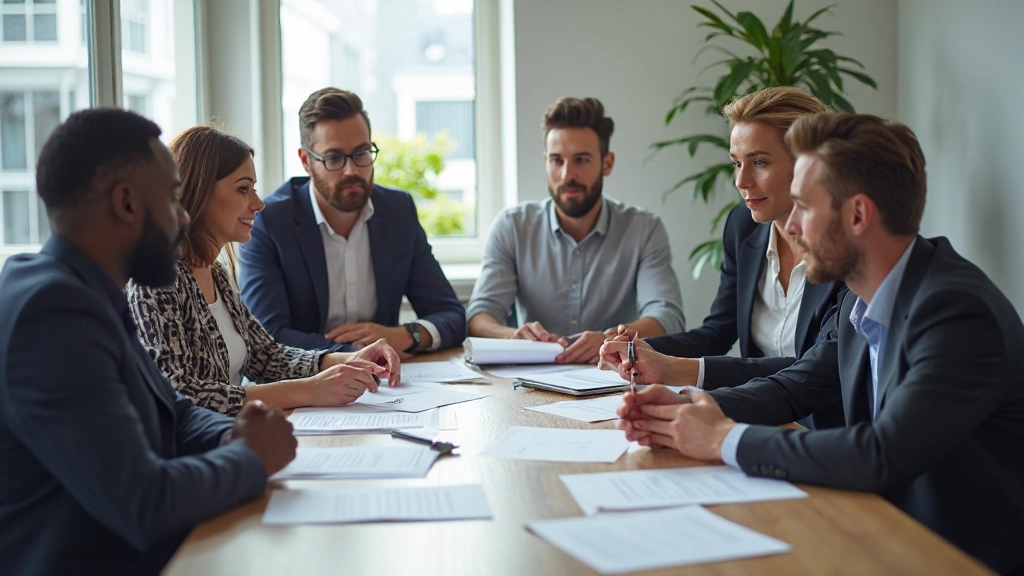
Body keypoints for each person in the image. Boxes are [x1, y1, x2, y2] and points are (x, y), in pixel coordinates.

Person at [604, 113, 1024, 574]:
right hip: (879, 531)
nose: (791, 226)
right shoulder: (865, 299)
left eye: (803, 206)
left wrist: (724, 439)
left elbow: (881, 455)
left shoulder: (956, 311)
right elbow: (798, 385)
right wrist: (687, 407)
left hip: (956, 556)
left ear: (858, 215)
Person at [0, 109, 297, 574]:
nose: (184, 216)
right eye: (174, 198)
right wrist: (248, 457)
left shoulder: (86, 291)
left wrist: (231, 432)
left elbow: (172, 409)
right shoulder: (53, 311)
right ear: (126, 203)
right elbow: (142, 500)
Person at [614, 87, 846, 428]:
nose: (742, 181)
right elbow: (718, 331)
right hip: (756, 419)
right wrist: (635, 347)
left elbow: (815, 367)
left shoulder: (848, 247)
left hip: (823, 432)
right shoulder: (743, 227)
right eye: (737, 163)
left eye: (760, 163)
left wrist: (679, 371)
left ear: (806, 165)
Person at [128, 126, 400, 416]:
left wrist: (350, 359)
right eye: (243, 189)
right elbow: (178, 394)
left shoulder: (217, 273)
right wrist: (310, 389)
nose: (258, 204)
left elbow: (267, 357)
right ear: (199, 192)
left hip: (229, 438)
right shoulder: (155, 280)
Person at [237, 87, 465, 358]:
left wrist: (406, 335)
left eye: (361, 153)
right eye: (334, 158)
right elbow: (267, 336)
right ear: (306, 161)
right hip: (306, 386)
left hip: (390, 389)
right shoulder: (271, 222)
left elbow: (452, 315)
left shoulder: (397, 212)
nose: (352, 171)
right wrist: (355, 352)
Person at [466, 96, 685, 364]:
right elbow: (479, 316)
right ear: (546, 162)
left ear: (607, 163)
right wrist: (512, 336)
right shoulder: (512, 226)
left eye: (581, 160)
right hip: (529, 380)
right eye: (557, 160)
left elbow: (667, 317)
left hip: (611, 377)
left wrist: (609, 340)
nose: (567, 174)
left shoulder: (643, 229)